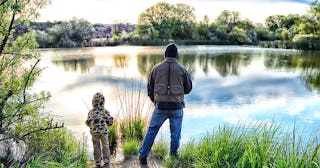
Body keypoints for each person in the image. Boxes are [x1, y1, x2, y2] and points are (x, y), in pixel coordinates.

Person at [138, 43, 192, 165]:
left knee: (152, 130)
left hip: (160, 106)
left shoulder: (156, 69)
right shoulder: (182, 69)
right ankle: (173, 156)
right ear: (177, 55)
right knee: (175, 133)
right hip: (177, 107)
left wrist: (155, 101)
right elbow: (188, 89)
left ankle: (143, 155)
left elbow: (149, 89)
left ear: (165, 54)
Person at [86, 92, 114, 167]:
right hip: (103, 132)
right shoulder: (105, 111)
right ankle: (106, 160)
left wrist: (92, 126)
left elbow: (88, 122)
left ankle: (98, 161)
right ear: (103, 102)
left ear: (93, 102)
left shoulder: (91, 112)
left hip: (94, 132)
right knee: (105, 145)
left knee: (96, 146)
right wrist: (109, 123)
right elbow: (110, 121)